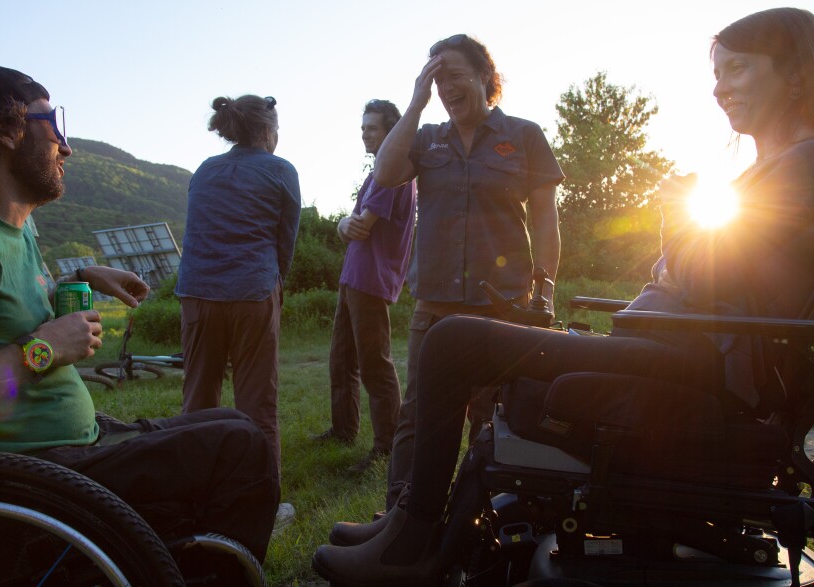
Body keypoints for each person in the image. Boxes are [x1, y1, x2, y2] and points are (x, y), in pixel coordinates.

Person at [312, 7, 814, 585]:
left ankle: (414, 547)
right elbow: (704, 271)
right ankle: (415, 524)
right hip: (678, 347)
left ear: (794, 74)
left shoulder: (798, 165)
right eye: (718, 72)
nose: (720, 88)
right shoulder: (770, 168)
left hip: (700, 364)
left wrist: (677, 227)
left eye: (738, 70)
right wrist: (680, 250)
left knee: (452, 344)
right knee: (482, 366)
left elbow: (705, 277)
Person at [0, 65, 280, 564]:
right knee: (240, 446)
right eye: (54, 123)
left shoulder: (14, 228)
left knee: (228, 419)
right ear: (9, 129)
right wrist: (43, 351)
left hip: (71, 447)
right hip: (29, 477)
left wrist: (81, 279)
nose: (66, 146)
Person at [372, 34, 564, 509]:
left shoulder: (523, 136)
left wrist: (547, 288)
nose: (446, 87)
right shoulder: (426, 138)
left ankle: (482, 517)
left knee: (492, 415)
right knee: (418, 416)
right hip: (434, 306)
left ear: (484, 75)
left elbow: (544, 219)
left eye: (455, 75)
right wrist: (415, 103)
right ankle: (403, 514)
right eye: (437, 80)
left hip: (502, 306)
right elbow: (384, 173)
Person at [175, 94, 302, 481]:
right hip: (253, 294)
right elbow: (286, 241)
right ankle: (264, 499)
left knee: (197, 399)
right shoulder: (280, 170)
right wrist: (275, 285)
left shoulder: (204, 170)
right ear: (266, 131)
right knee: (257, 403)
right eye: (276, 130)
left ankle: (192, 489)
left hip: (197, 295)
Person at [312, 99, 416, 473]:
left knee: (375, 366)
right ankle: (343, 430)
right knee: (341, 360)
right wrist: (343, 222)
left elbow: (359, 226)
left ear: (391, 132)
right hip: (353, 276)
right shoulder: (377, 173)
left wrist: (346, 223)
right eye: (362, 128)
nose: (364, 134)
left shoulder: (394, 171)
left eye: (371, 128)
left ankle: (387, 446)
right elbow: (348, 226)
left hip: (370, 279)